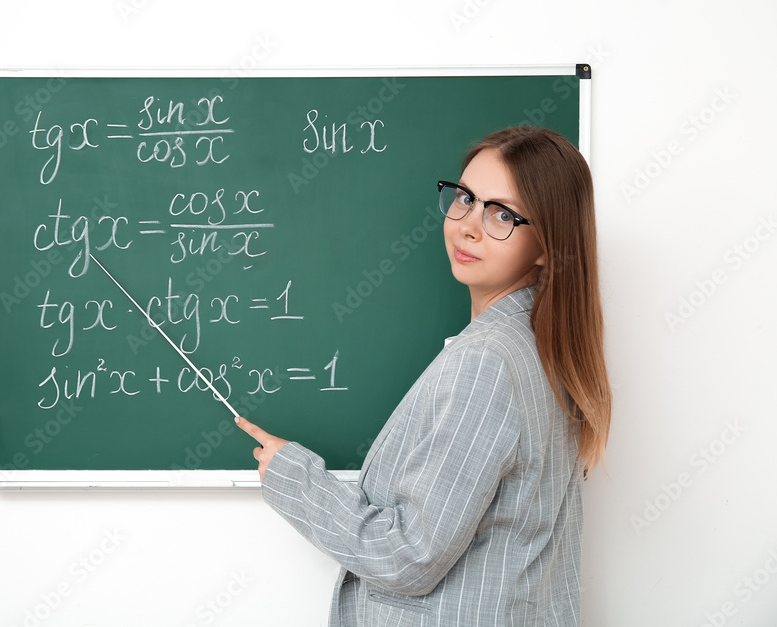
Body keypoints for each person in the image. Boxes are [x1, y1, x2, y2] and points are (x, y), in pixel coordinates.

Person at [235, 125, 612, 625]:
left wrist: (293, 477)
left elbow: (410, 556)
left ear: (547, 244)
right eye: (465, 199)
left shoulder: (488, 363)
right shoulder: (544, 348)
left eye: (502, 214)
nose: (468, 226)